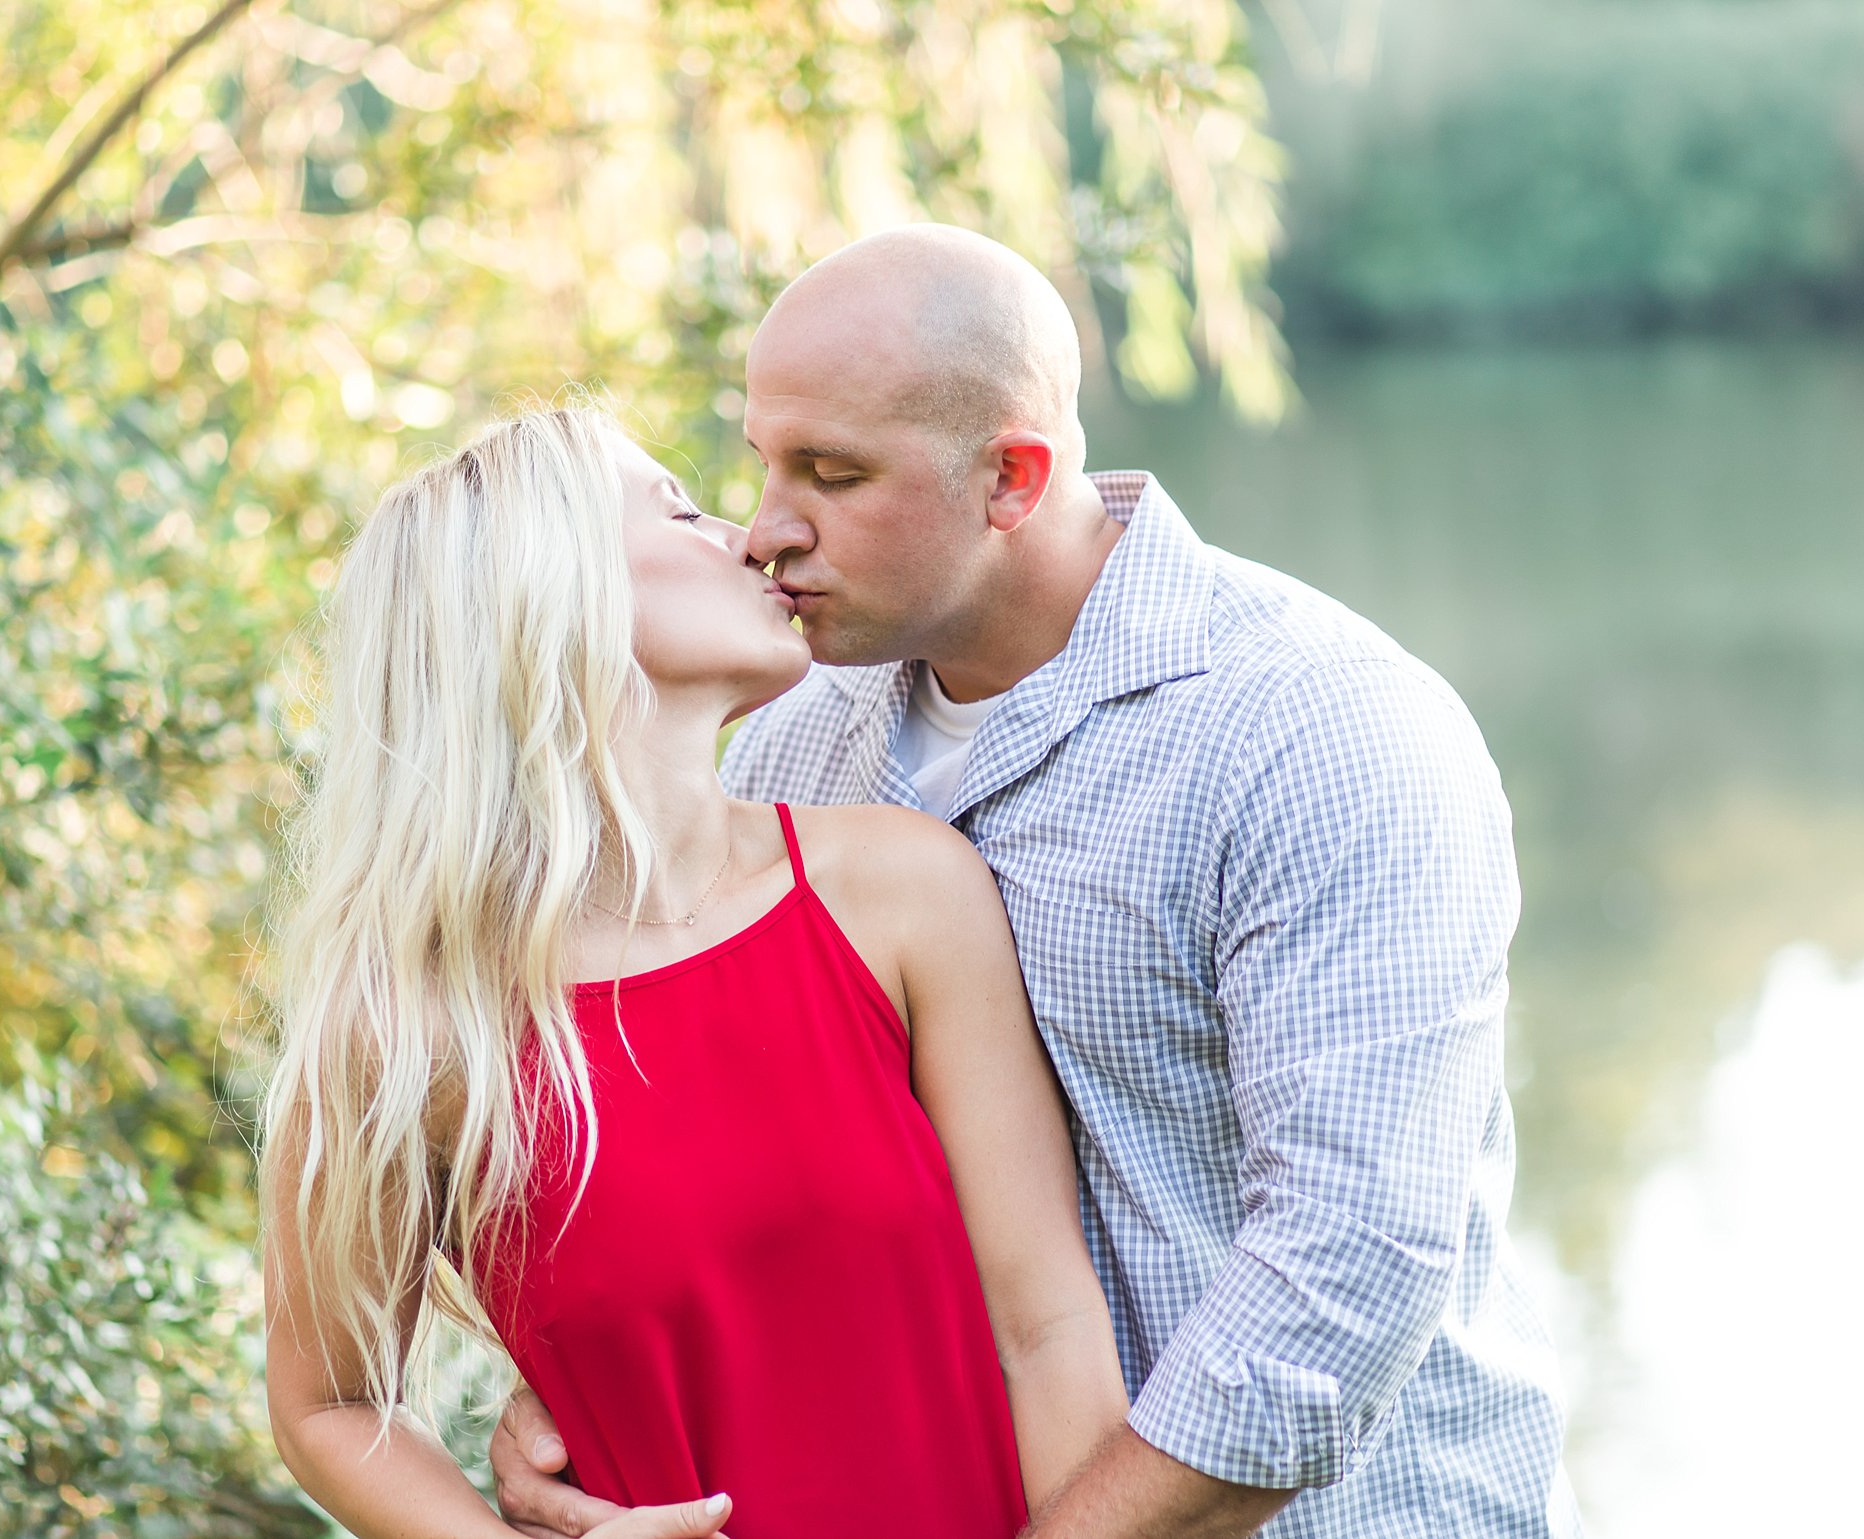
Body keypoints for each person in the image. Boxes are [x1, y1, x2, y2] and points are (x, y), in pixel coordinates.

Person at [493, 228, 1584, 1538]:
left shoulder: (1323, 733)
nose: (766, 529)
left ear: (1011, 475)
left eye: (831, 475)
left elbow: (1347, 1270)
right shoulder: (797, 741)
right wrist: (579, 1385)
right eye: (763, 465)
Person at [257, 403, 1129, 1539]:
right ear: (557, 596)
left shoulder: (902, 892)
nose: (749, 537)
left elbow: (1047, 1328)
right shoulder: (414, 1026)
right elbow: (329, 1402)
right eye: (680, 509)